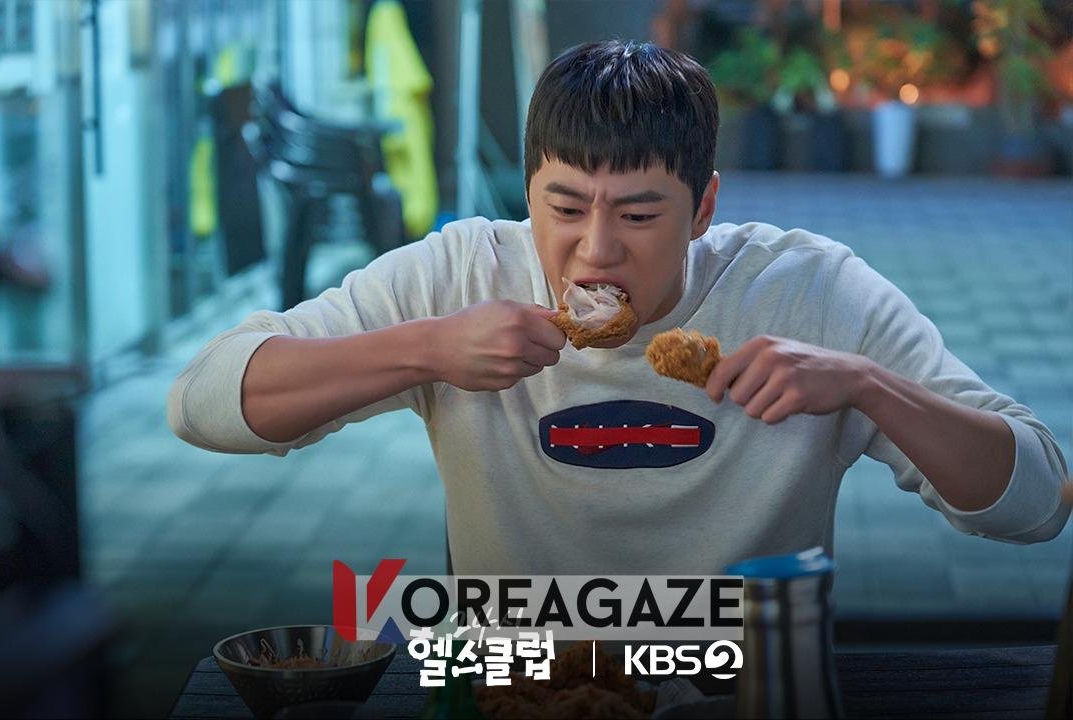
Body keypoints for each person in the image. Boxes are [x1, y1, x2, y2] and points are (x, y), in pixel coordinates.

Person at [168, 40, 1069, 574]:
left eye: (639, 216)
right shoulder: (462, 274)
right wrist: (426, 351)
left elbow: (1035, 503)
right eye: (563, 209)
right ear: (528, 194)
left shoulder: (808, 289)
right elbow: (202, 402)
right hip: (515, 685)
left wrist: (870, 386)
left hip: (740, 686)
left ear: (704, 208)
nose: (596, 250)